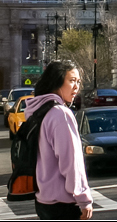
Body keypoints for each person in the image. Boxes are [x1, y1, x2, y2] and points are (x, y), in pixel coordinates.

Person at [22, 60, 93, 220]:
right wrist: (83, 199)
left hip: (43, 200)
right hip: (64, 203)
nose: (76, 87)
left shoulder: (38, 111)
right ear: (57, 81)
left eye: (78, 82)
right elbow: (71, 162)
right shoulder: (61, 114)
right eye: (72, 80)